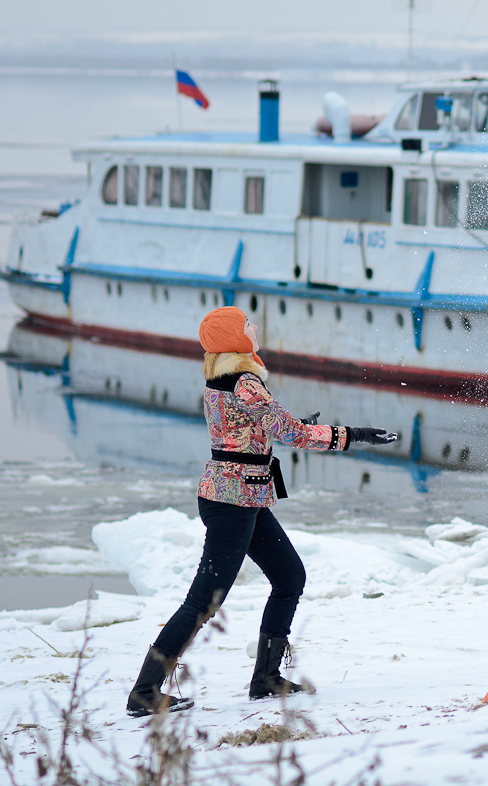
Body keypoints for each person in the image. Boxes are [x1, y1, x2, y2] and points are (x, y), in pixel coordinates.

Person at [126, 306, 397, 717]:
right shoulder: (246, 382)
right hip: (232, 501)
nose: (255, 327)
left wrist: (286, 426)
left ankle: (267, 678)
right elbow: (293, 433)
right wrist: (356, 435)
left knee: (289, 576)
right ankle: (145, 691)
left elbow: (245, 430)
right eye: (247, 324)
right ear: (235, 337)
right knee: (204, 601)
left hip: (240, 496)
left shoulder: (220, 376)